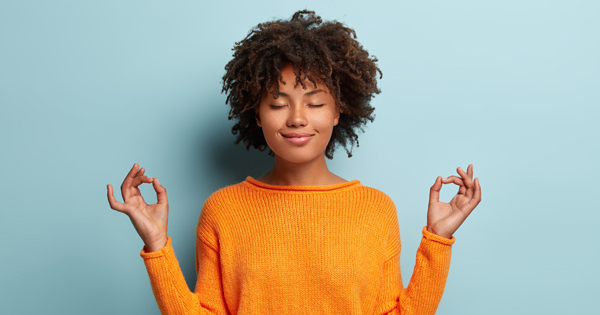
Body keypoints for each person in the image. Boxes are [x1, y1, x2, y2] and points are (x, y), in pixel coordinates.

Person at [107, 10, 481, 315]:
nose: (297, 118)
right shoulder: (222, 210)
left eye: (315, 103)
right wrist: (157, 244)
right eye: (278, 103)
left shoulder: (375, 209)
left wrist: (439, 240)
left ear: (339, 112)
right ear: (256, 114)